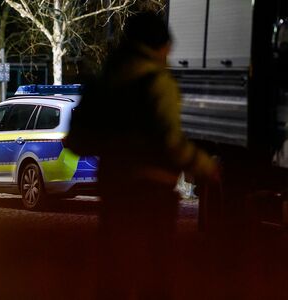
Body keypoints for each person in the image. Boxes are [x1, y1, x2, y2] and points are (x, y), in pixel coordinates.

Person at [66, 12, 218, 299]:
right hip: (153, 193)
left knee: (113, 275)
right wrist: (204, 164)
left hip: (114, 191)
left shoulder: (107, 79)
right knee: (155, 275)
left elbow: (81, 138)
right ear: (159, 45)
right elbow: (171, 142)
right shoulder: (157, 83)